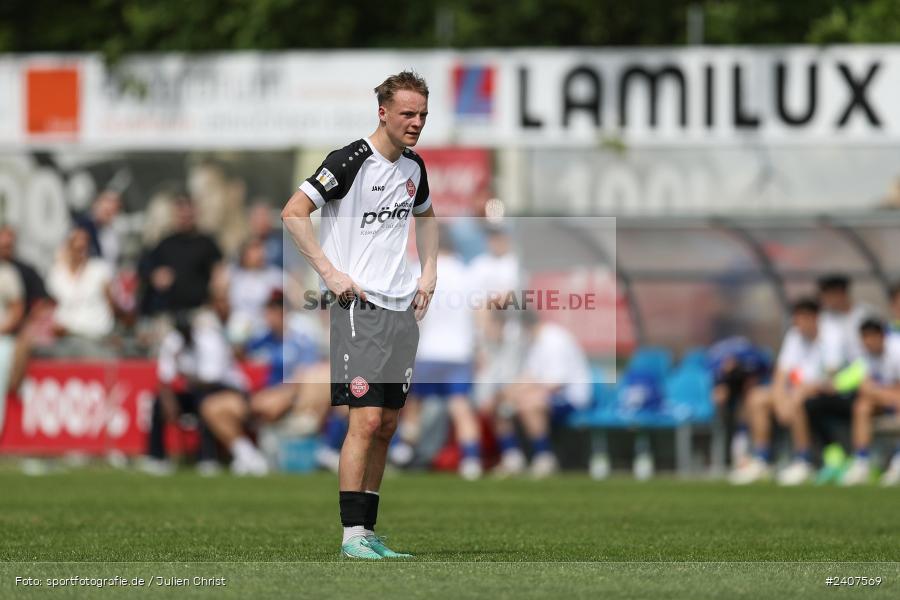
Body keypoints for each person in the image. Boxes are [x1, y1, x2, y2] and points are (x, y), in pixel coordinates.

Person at [281, 71, 438, 560]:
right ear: (383, 112)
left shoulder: (414, 168)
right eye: (408, 114)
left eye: (423, 116)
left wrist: (429, 273)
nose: (416, 124)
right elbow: (292, 213)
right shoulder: (350, 160)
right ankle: (351, 536)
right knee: (365, 423)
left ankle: (368, 532)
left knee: (388, 425)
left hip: (400, 310)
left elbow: (428, 218)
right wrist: (330, 274)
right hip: (359, 308)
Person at [729, 298, 846, 486]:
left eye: (800, 319)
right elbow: (781, 374)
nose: (796, 324)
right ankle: (762, 460)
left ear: (813, 318)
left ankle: (804, 461)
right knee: (756, 397)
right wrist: (780, 399)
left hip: (827, 394)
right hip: (795, 392)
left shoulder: (832, 336)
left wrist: (794, 395)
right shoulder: (794, 336)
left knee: (797, 400)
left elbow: (830, 378)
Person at [405, 231, 482, 480]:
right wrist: (479, 347)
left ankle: (404, 452)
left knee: (414, 405)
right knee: (460, 407)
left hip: (427, 351)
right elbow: (480, 314)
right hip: (459, 352)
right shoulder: (467, 274)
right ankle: (471, 460)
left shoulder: (419, 270)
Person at [492, 309, 592, 478]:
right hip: (550, 394)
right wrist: (508, 393)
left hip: (572, 398)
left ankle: (544, 457)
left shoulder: (555, 340)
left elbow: (556, 383)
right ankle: (512, 458)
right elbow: (530, 375)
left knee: (530, 404)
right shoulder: (533, 342)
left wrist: (522, 393)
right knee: (500, 403)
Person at [838, 319, 900, 485]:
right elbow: (865, 387)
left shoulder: (897, 349)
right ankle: (861, 462)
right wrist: (888, 396)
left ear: (881, 336)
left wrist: (885, 393)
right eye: (864, 338)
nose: (868, 343)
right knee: (862, 406)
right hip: (887, 398)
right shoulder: (864, 354)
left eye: (871, 337)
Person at [140, 195, 223, 316]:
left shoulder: (206, 243)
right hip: (169, 311)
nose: (185, 217)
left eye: (188, 214)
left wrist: (218, 287)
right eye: (181, 214)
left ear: (195, 213)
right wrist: (154, 275)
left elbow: (219, 269)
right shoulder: (165, 243)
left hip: (200, 309)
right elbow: (144, 266)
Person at [46, 226, 116, 350]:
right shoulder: (56, 272)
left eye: (84, 246)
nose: (81, 250)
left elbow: (111, 302)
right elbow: (51, 304)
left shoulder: (100, 269)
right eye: (77, 247)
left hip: (95, 334)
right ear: (68, 247)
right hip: (64, 336)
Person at [226, 238, 284, 344]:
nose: (259, 254)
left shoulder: (274, 275)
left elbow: (293, 296)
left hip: (266, 325)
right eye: (254, 251)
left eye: (260, 250)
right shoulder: (232, 274)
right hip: (238, 325)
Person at [76, 190, 122, 268]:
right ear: (95, 205)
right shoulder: (82, 226)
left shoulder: (111, 233)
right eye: (106, 211)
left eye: (112, 212)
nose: (108, 215)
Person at [248, 201, 284, 268]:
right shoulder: (245, 245)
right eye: (257, 217)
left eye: (264, 216)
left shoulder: (281, 242)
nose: (261, 221)